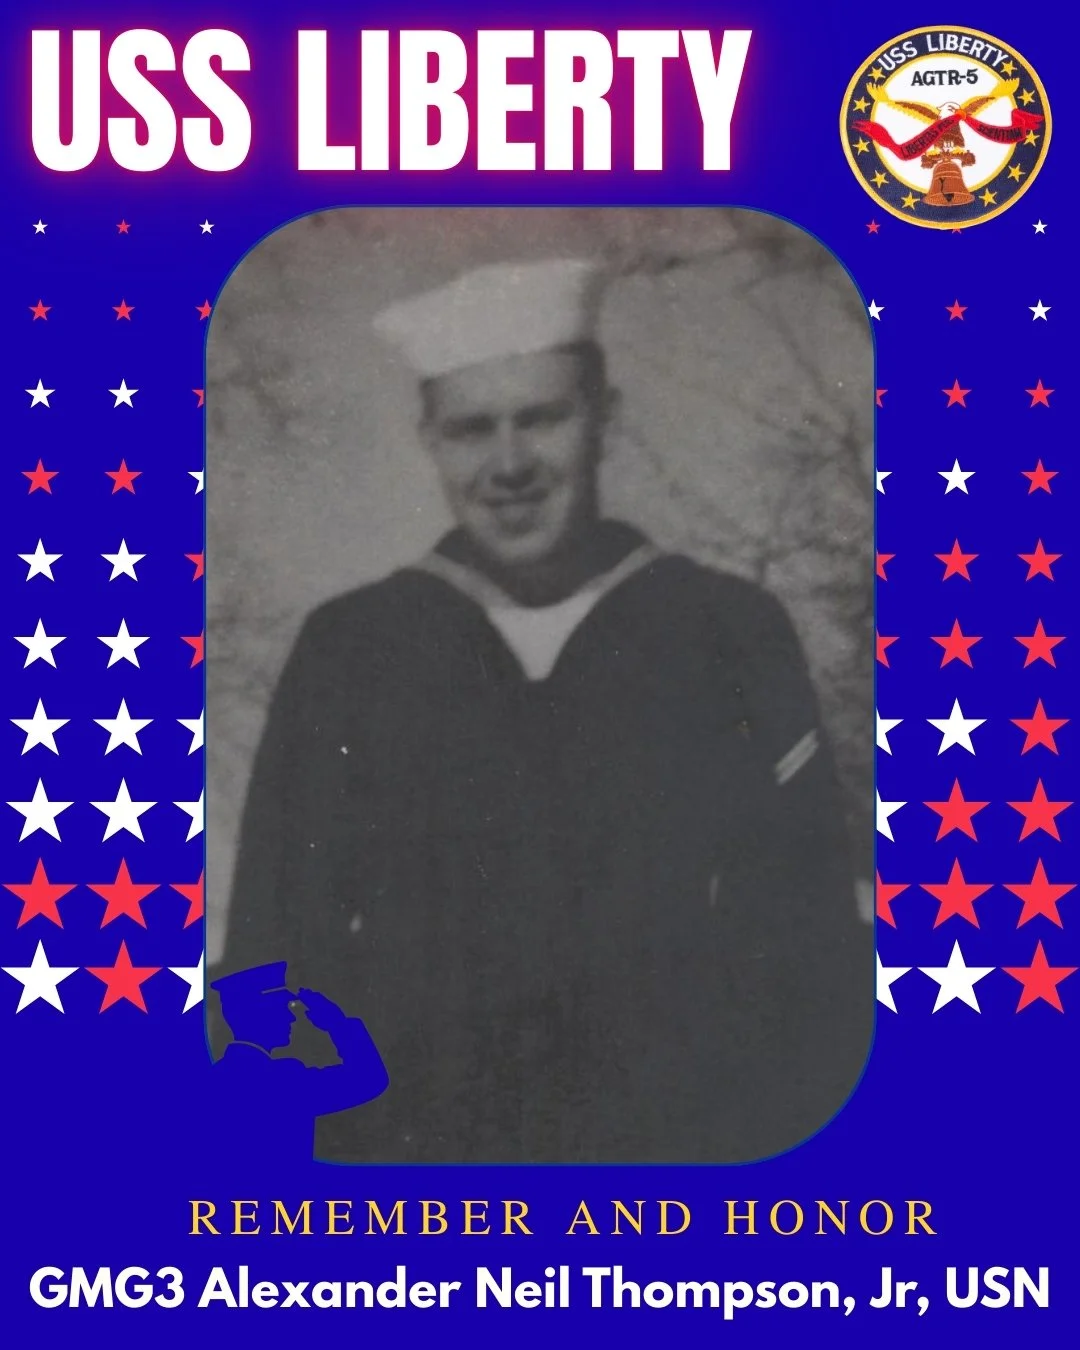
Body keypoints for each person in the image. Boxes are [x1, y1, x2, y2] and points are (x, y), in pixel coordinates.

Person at [213, 258, 873, 1165]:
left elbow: (811, 952)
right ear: (430, 441)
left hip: (671, 1184)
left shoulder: (724, 632)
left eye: (544, 418)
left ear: (606, 419)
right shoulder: (354, 650)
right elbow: (271, 949)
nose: (510, 464)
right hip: (415, 1186)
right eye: (473, 429)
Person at [209, 962, 389, 1165]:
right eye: (283, 1007)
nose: (292, 1017)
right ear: (259, 1014)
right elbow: (369, 1077)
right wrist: (337, 1023)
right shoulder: (283, 1078)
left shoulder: (210, 1079)